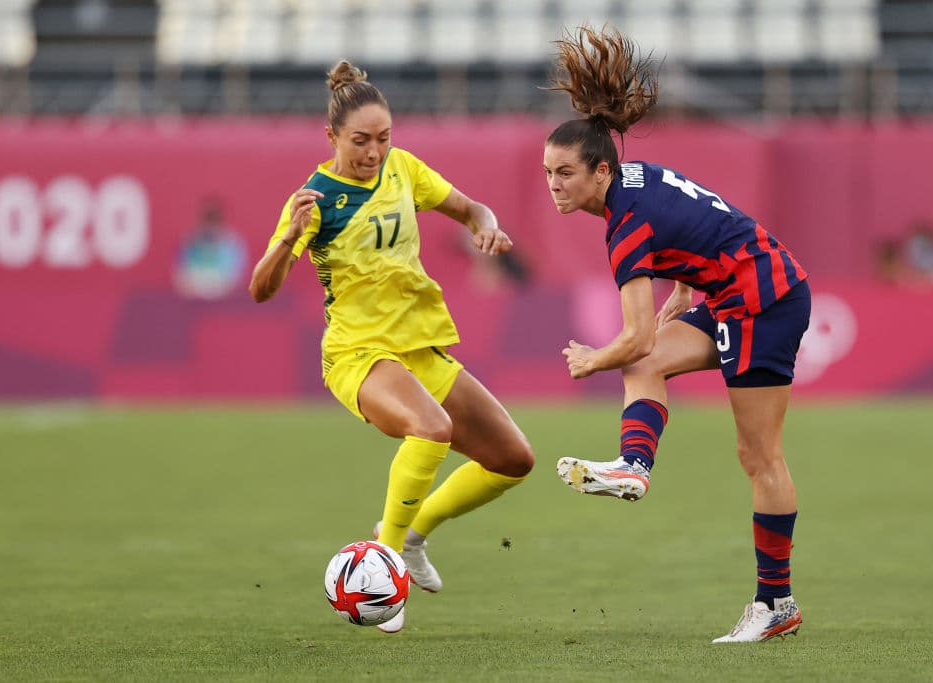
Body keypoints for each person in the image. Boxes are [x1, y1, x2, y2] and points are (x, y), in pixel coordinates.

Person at [541, 26, 810, 644]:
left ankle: (776, 604)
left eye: (563, 173)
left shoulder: (624, 228)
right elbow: (700, 222)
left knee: (758, 455)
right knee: (649, 366)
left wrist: (590, 360)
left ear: (599, 171)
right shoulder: (639, 177)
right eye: (546, 172)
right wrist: (686, 291)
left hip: (764, 303)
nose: (553, 184)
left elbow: (632, 337)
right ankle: (635, 466)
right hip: (736, 292)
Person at [249, 60, 535, 634]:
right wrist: (285, 239)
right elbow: (261, 288)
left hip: (420, 349)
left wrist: (485, 225)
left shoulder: (404, 170)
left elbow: (471, 208)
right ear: (331, 137)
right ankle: (384, 556)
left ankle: (409, 537)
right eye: (360, 141)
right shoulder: (315, 199)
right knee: (431, 428)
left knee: (512, 459)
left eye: (383, 138)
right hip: (358, 355)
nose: (374, 152)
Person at [173, 197, 247, 300]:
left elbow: (236, 279)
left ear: (222, 218)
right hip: (194, 303)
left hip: (224, 303)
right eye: (207, 217)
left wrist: (215, 288)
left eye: (214, 218)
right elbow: (180, 278)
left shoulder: (233, 244)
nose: (210, 224)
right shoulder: (189, 242)